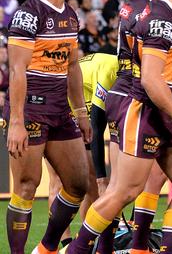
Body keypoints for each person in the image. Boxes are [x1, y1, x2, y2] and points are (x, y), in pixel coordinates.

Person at [66, 0, 172, 254]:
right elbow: (151, 80)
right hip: (139, 104)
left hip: (161, 102)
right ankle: (77, 249)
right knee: (125, 190)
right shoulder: (159, 19)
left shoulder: (167, 13)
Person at [4, 0, 91, 254]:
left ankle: (47, 249)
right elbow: (16, 70)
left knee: (79, 184)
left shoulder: (69, 15)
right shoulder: (29, 14)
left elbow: (71, 66)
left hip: (60, 110)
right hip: (29, 109)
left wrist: (80, 111)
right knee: (27, 186)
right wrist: (16, 122)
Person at [97, 0, 164, 254]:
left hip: (122, 93)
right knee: (126, 189)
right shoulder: (150, 11)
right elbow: (149, 65)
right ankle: (89, 248)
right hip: (137, 97)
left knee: (120, 188)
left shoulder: (130, 6)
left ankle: (110, 247)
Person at [46, 52, 119, 250]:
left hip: (81, 100)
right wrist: (103, 179)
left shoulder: (123, 73)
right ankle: (63, 243)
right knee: (58, 181)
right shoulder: (112, 70)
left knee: (90, 181)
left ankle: (85, 242)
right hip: (60, 101)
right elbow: (97, 124)